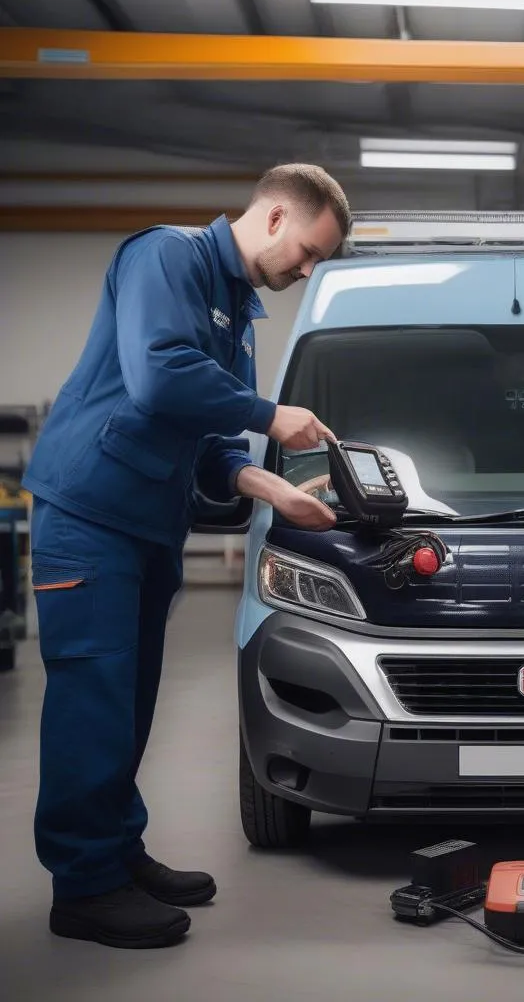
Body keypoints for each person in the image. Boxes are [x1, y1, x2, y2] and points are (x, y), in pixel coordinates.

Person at [21, 163, 350, 950]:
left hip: (146, 524)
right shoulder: (165, 258)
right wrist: (272, 415)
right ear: (273, 216)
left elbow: (208, 447)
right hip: (89, 513)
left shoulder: (236, 313)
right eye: (307, 251)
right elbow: (160, 377)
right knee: (92, 700)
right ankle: (84, 886)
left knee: (128, 702)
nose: (305, 272)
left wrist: (277, 492)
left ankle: (117, 852)